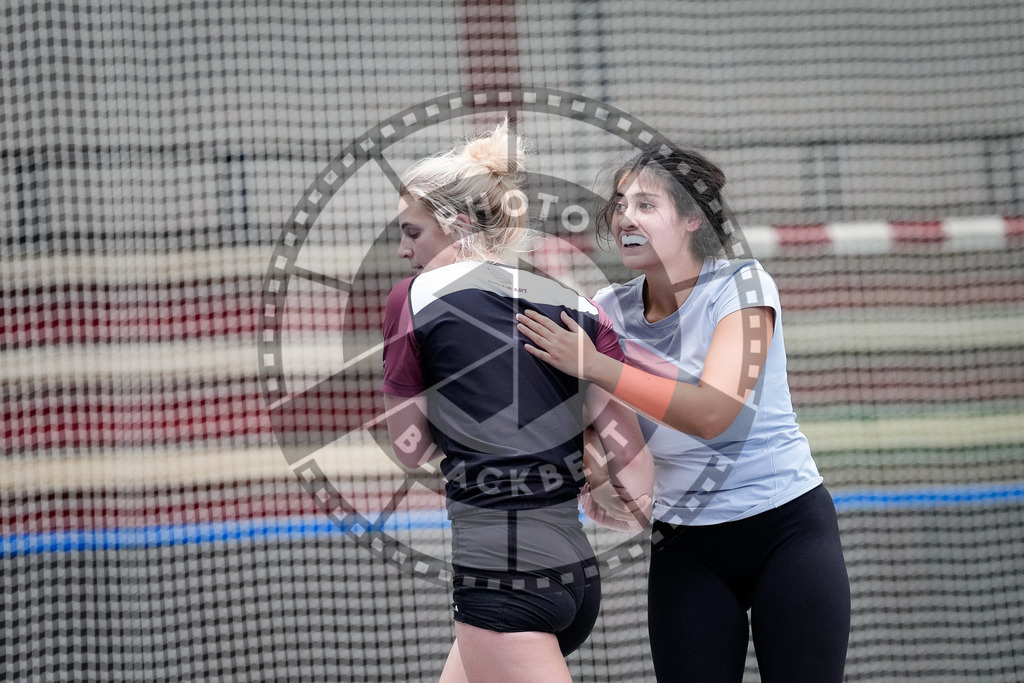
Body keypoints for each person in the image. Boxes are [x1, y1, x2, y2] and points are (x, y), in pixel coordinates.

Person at [515, 143, 851, 682]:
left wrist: (596, 365)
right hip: (687, 546)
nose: (625, 215)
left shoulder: (741, 287)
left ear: (694, 218)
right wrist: (597, 468)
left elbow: (715, 413)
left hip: (787, 531)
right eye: (621, 203)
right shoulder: (607, 310)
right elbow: (592, 424)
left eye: (646, 204)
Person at [379, 121, 653, 683]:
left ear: (453, 223)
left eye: (412, 233)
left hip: (502, 578)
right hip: (572, 569)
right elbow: (631, 456)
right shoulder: (576, 304)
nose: (404, 250)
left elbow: (409, 449)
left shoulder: (415, 297)